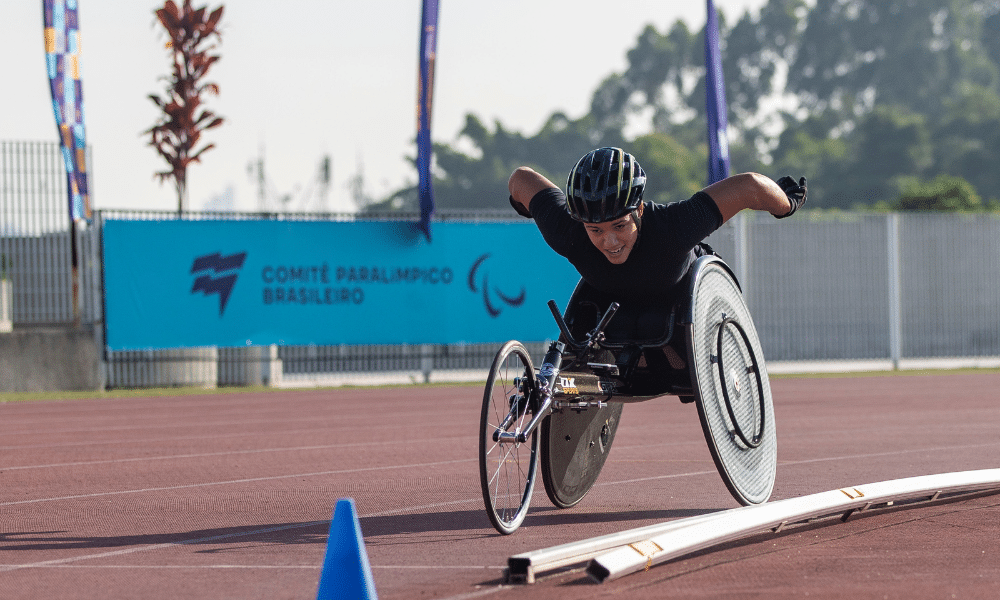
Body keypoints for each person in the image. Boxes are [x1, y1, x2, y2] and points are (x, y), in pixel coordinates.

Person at [507, 146, 806, 352]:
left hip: (679, 298)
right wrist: (530, 208)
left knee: (653, 319)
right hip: (610, 305)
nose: (609, 241)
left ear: (638, 210)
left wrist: (786, 204)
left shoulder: (673, 227)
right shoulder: (567, 231)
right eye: (595, 230)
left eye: (620, 226)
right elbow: (520, 179)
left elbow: (749, 186)